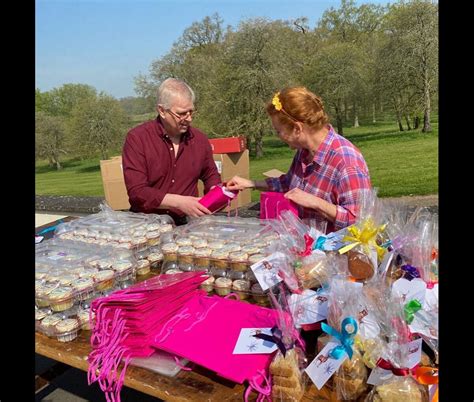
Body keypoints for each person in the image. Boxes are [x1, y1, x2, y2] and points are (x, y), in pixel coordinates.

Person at [226, 86, 372, 233]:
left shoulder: (346, 162)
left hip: (336, 254)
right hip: (305, 247)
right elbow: (288, 183)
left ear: (297, 128)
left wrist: (316, 203)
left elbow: (361, 221)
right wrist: (251, 184)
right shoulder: (304, 152)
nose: (278, 136)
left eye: (278, 131)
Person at [122, 78, 221, 225]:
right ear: (162, 111)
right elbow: (137, 192)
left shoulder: (199, 139)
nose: (189, 119)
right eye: (181, 114)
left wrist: (215, 192)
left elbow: (210, 175)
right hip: (147, 225)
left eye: (191, 112)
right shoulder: (138, 139)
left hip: (188, 225)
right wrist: (179, 202)